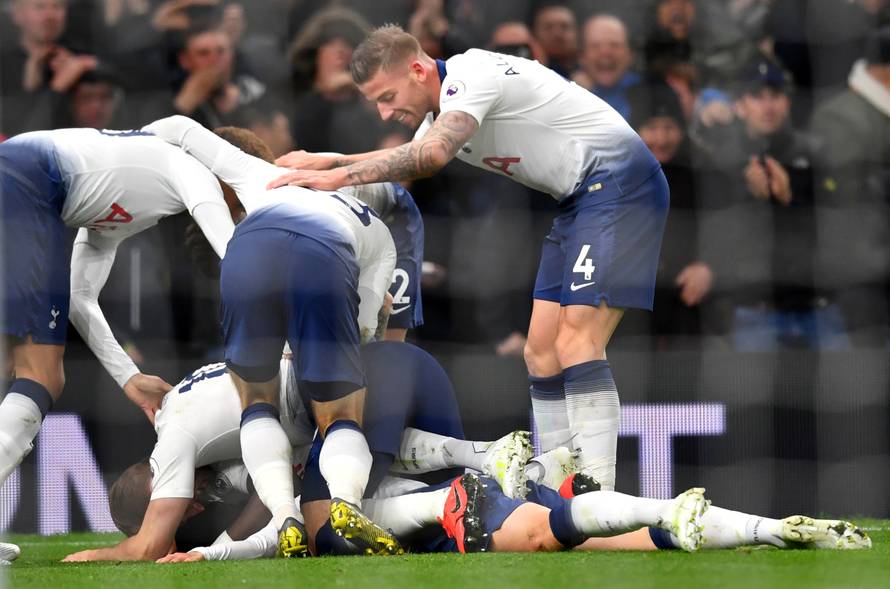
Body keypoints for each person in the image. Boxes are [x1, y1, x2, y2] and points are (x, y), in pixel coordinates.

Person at [267, 25, 670, 492]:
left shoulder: (470, 76)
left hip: (620, 186)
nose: (384, 112)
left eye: (388, 96)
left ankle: (597, 490)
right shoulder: (445, 106)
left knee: (577, 341)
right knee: (540, 352)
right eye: (375, 102)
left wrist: (337, 177)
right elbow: (412, 151)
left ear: (418, 70)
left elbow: (432, 155)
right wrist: (331, 161)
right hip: (578, 201)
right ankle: (558, 486)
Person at [144, 114, 397, 557]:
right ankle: (346, 503)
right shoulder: (383, 236)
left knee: (257, 404)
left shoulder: (265, 173)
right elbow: (363, 327)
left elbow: (179, 127)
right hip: (328, 254)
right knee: (341, 414)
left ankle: (284, 519)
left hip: (250, 249)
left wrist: (125, 147)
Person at [61, 341, 534, 561]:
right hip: (398, 369)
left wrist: (91, 555)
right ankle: (520, 472)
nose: (191, 507)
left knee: (322, 528)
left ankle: (455, 495)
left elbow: (148, 547)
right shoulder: (198, 427)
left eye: (173, 508)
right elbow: (269, 488)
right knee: (454, 518)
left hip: (363, 388)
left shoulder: (175, 444)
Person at [0, 125, 239, 560]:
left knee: (7, 366)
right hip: (30, 183)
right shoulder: (190, 170)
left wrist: (129, 378)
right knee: (40, 376)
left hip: (17, 174)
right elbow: (237, 255)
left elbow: (79, 297)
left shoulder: (122, 194)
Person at [154, 472, 871, 562]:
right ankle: (770, 528)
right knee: (626, 545)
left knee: (554, 532)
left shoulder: (273, 494)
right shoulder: (270, 474)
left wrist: (211, 555)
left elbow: (264, 538)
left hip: (462, 508)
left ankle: (669, 507)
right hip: (465, 501)